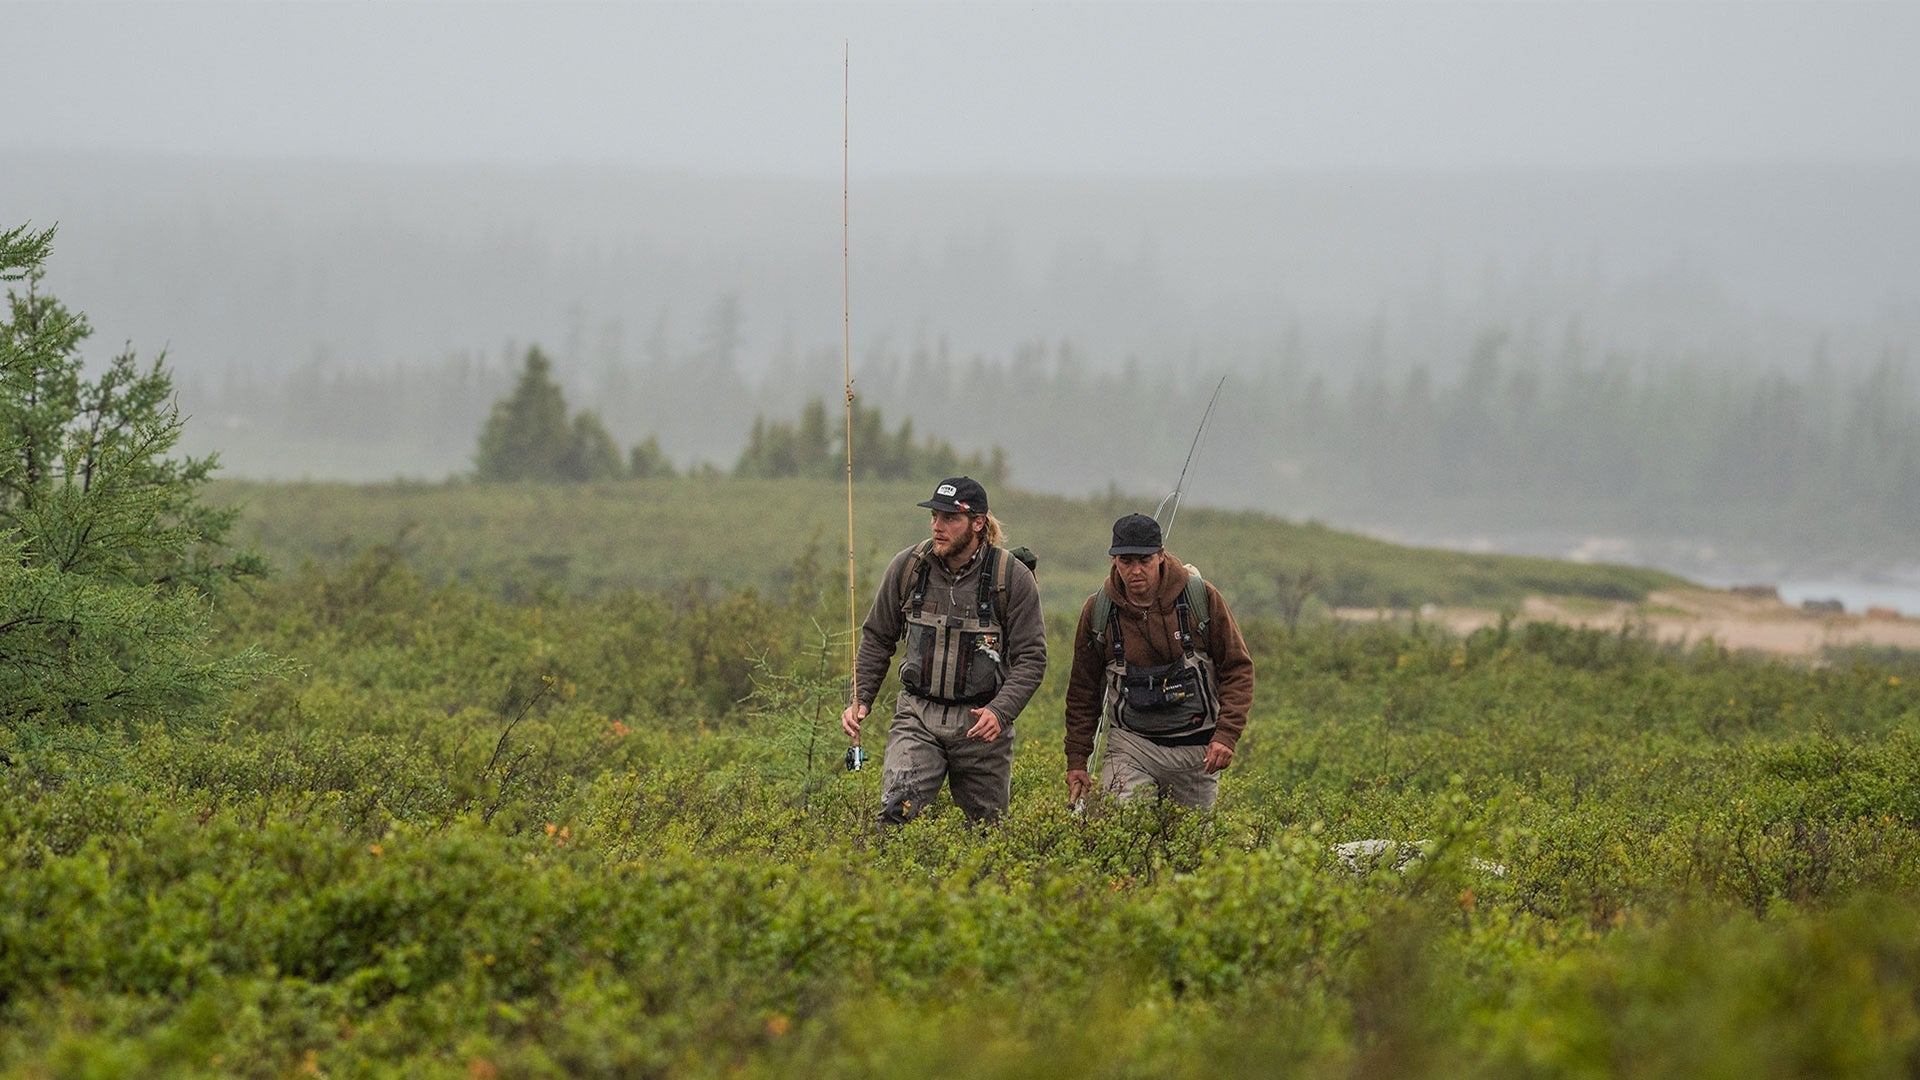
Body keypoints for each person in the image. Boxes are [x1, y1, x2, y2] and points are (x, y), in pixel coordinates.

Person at [841, 477, 1047, 825]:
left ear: (978, 523)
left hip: (981, 723)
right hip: (917, 716)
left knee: (987, 832)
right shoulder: (908, 568)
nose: (938, 527)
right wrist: (860, 698)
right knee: (894, 817)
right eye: (935, 516)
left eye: (950, 518)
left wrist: (1000, 712)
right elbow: (877, 637)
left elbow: (1032, 659)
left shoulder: (1010, 578)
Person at [1063, 513, 1254, 809]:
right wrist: (1077, 759)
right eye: (1126, 562)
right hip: (1131, 746)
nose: (1135, 570)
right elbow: (1083, 691)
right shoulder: (1099, 610)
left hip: (1197, 752)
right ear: (1114, 561)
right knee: (1124, 838)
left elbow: (1237, 669)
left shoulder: (1200, 598)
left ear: (1161, 556)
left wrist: (1226, 735)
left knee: (1192, 850)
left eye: (1144, 560)